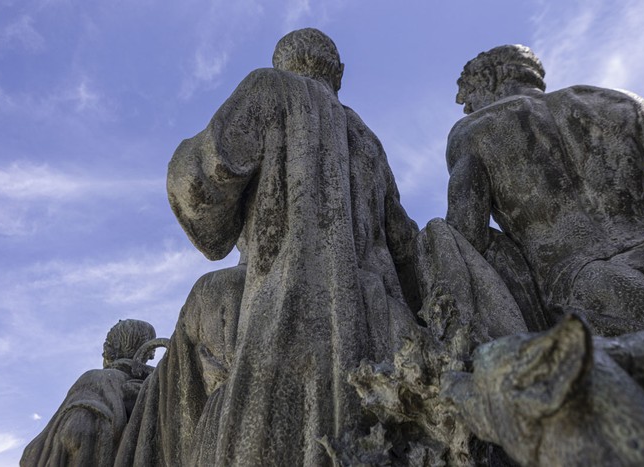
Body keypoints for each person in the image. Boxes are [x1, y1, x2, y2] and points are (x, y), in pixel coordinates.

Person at [116, 28, 423, 466]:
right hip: (373, 320)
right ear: (338, 72)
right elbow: (401, 243)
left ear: (284, 62)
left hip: (284, 315)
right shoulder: (368, 140)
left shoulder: (272, 89)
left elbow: (201, 179)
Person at [446, 44, 644, 336]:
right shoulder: (611, 101)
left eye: (468, 95)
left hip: (582, 279)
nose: (467, 105)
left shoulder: (473, 132)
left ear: (490, 79)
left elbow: (465, 237)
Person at [20, 319, 156, 467]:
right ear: (149, 354)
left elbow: (74, 432)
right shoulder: (153, 386)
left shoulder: (95, 378)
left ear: (111, 350)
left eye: (107, 344)